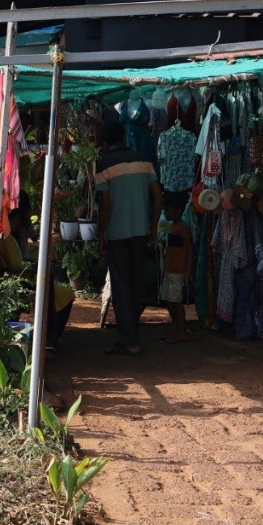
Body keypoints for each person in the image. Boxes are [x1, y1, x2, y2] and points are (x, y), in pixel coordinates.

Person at [93, 114, 162, 356]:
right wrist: (153, 226)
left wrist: (101, 233)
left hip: (117, 233)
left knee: (121, 285)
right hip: (140, 231)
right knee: (134, 283)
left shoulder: (105, 165)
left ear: (104, 142)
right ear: (123, 136)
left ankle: (130, 340)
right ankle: (132, 336)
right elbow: (158, 194)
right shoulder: (143, 160)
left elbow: (106, 204)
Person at [0, 206, 75, 351]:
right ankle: (49, 338)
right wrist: (35, 268)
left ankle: (53, 335)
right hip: (23, 279)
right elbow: (15, 266)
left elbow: (19, 261)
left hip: (24, 275)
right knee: (56, 290)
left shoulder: (9, 238)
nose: (19, 223)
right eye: (17, 220)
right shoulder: (6, 239)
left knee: (63, 290)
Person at [160, 192, 192, 343]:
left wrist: (188, 270)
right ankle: (177, 329)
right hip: (170, 270)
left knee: (177, 302)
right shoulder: (173, 226)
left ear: (178, 211)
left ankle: (182, 331)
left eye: (169, 210)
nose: (166, 213)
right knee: (170, 301)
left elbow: (189, 250)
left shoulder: (182, 228)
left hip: (178, 271)